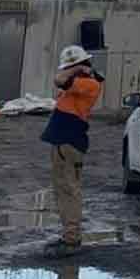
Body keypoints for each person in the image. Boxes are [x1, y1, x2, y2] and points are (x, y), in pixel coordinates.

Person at [39, 43, 102, 258]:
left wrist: (75, 69)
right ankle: (69, 235)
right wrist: (77, 69)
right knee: (63, 190)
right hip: (63, 142)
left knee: (69, 190)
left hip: (70, 141)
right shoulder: (79, 82)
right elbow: (61, 81)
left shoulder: (88, 84)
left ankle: (72, 238)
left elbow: (59, 79)